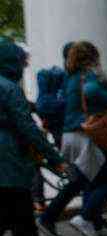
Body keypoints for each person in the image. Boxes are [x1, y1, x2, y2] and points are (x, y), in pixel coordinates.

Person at [37, 41, 107, 236]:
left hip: (70, 133)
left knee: (81, 180)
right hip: (87, 134)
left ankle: (49, 218)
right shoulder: (89, 75)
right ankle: (84, 218)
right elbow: (93, 92)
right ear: (92, 57)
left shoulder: (70, 77)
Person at [0, 38, 65, 236]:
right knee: (21, 209)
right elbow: (27, 127)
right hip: (8, 154)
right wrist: (54, 157)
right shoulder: (9, 87)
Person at [32, 42, 72, 214]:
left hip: (54, 124)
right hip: (67, 127)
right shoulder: (70, 78)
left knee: (35, 164)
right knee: (78, 174)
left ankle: (40, 203)